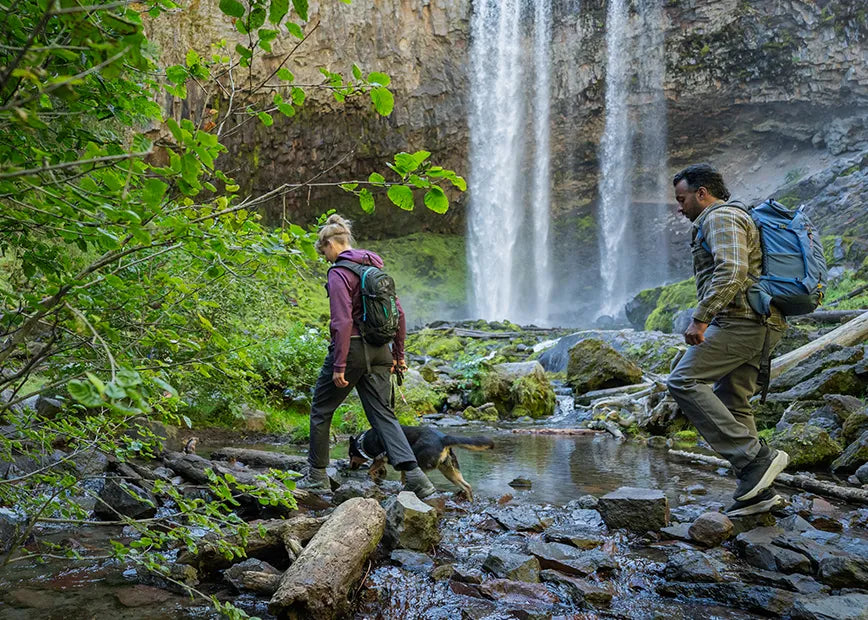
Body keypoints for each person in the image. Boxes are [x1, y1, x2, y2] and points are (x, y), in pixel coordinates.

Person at [666, 163, 789, 517]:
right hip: (760, 322)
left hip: (742, 321)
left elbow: (732, 269)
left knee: (683, 380)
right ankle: (758, 490)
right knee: (734, 400)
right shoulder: (732, 217)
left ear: (702, 193)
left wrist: (701, 317)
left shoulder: (719, 217)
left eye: (682, 198)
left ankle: (756, 459)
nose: (679, 207)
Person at [296, 214, 437, 498]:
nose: (324, 258)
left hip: (352, 350)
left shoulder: (339, 272)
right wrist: (398, 355)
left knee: (321, 411)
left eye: (322, 251)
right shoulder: (374, 269)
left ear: (331, 245)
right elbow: (400, 314)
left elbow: (342, 322)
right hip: (381, 350)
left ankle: (317, 476)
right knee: (384, 416)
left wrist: (339, 365)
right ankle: (417, 479)